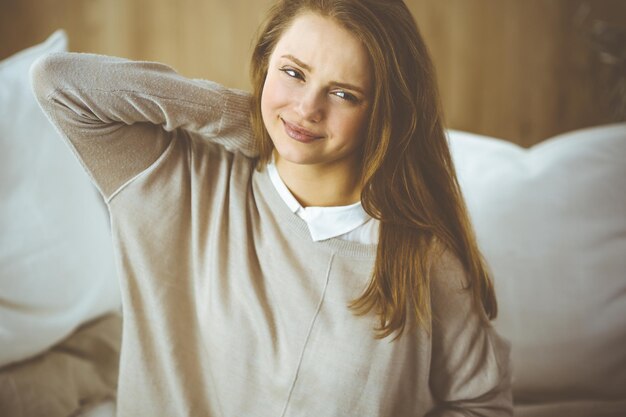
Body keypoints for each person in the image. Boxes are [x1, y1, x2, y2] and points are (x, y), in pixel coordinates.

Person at [31, 0, 512, 415]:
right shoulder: (174, 176)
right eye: (293, 72)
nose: (307, 108)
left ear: (383, 112)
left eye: (344, 93)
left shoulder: (422, 257)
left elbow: (482, 403)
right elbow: (58, 81)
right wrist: (253, 123)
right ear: (265, 64)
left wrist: (279, 120)